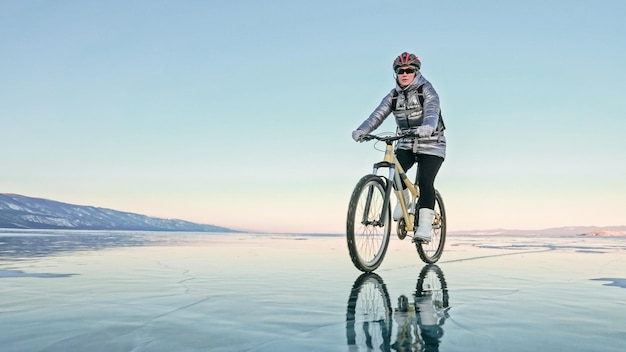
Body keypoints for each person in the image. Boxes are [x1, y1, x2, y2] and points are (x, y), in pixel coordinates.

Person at [351, 52, 446, 241]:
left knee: (425, 182)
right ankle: (405, 200)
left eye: (409, 70)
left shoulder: (426, 90)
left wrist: (428, 126)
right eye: (400, 71)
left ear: (416, 72)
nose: (404, 73)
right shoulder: (393, 96)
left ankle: (425, 227)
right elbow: (377, 115)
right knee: (394, 171)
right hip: (406, 142)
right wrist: (362, 130)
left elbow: (432, 110)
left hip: (432, 143)